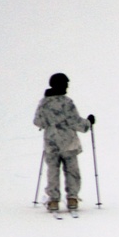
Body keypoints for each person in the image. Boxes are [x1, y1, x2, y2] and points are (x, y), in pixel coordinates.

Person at [33, 73, 95, 213]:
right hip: (69, 143)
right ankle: (72, 198)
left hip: (51, 144)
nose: (67, 86)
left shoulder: (44, 103)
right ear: (61, 85)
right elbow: (76, 122)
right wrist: (88, 123)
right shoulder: (67, 103)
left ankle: (53, 200)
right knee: (72, 171)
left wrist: (49, 124)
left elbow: (37, 121)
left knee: (52, 171)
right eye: (66, 84)